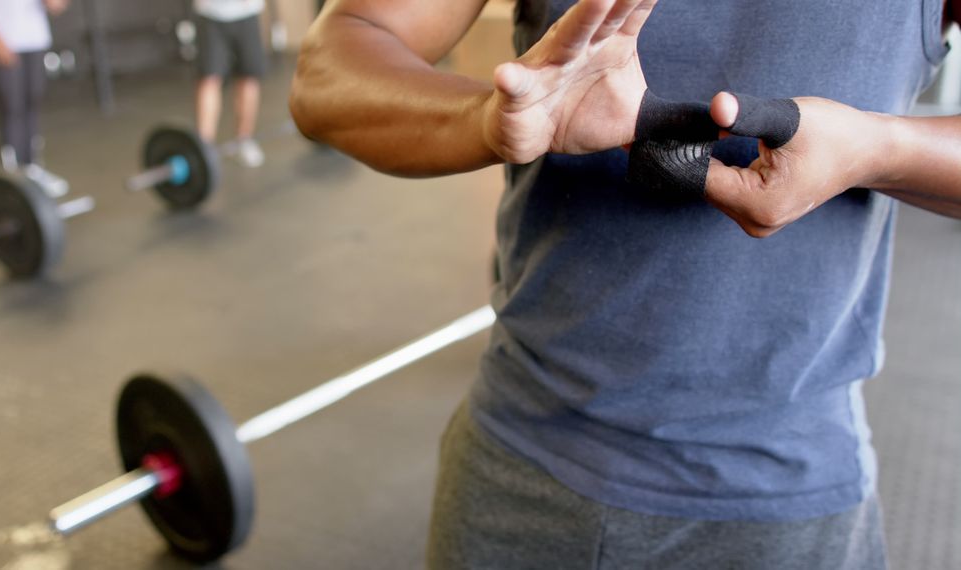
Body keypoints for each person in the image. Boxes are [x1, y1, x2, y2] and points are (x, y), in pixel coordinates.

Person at [290, 0, 961, 568]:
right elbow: (332, 64)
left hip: (787, 508)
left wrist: (880, 150)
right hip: (520, 470)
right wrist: (489, 121)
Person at [0, 0, 70, 197]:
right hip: (3, 40)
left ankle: (33, 168)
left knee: (33, 101)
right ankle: (13, 177)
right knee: (12, 106)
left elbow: (56, 5)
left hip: (34, 37)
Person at [193, 0, 268, 167]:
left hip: (247, 12)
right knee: (209, 79)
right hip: (210, 13)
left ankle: (244, 139)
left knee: (248, 78)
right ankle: (204, 150)